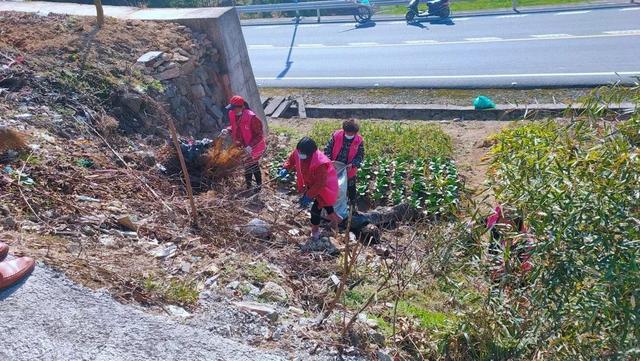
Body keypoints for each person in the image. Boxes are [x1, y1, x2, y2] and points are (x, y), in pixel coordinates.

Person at [279, 137, 342, 240]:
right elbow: (292, 158)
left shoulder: (320, 163)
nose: (299, 154)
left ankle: (315, 231)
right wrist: (286, 168)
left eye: (302, 153)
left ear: (311, 153)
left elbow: (320, 184)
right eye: (299, 151)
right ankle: (336, 221)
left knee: (315, 210)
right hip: (311, 184)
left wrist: (308, 196)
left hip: (324, 189)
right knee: (327, 206)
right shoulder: (300, 152)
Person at [220, 95, 266, 192]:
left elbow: (259, 135)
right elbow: (235, 127)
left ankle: (258, 187)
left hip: (254, 145)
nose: (232, 110)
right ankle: (249, 186)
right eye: (231, 108)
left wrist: (250, 146)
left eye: (234, 108)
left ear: (241, 107)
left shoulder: (252, 118)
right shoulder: (233, 114)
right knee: (247, 165)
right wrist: (227, 130)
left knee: (253, 165)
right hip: (243, 145)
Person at [323, 119, 364, 205]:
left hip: (349, 169)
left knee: (351, 187)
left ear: (355, 133)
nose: (349, 135)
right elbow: (327, 149)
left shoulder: (359, 141)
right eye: (348, 133)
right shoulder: (336, 136)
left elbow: (360, 156)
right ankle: (331, 204)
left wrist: (353, 164)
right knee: (332, 185)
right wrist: (330, 161)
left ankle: (352, 204)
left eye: (351, 134)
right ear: (344, 131)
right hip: (335, 167)